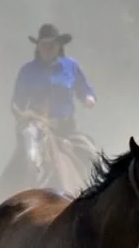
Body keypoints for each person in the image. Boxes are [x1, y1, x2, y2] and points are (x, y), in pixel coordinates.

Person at [11, 24, 98, 175]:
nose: (48, 48)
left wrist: (88, 98)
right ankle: (2, 193)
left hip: (66, 129)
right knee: (15, 168)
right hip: (36, 130)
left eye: (52, 44)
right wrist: (24, 117)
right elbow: (18, 102)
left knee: (91, 155)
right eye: (44, 44)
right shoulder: (27, 71)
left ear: (59, 46)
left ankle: (95, 196)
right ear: (38, 47)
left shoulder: (71, 66)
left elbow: (84, 88)